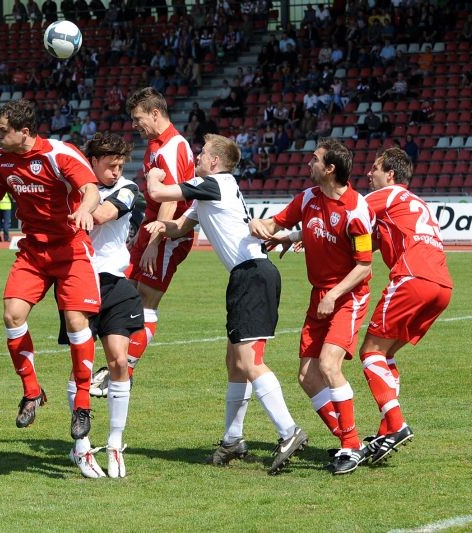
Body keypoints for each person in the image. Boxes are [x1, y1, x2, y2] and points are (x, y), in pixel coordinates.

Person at [0, 99, 103, 478]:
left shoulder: (60, 153)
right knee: (12, 314)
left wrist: (84, 209)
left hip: (72, 249)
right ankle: (32, 392)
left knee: (77, 323)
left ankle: (81, 404)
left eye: (1, 130)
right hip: (33, 251)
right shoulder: (1, 161)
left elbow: (90, 188)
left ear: (24, 132)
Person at [144, 134, 308, 475]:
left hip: (252, 274)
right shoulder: (211, 189)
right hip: (245, 274)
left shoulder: (212, 183)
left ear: (214, 162)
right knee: (235, 362)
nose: (198, 157)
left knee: (248, 361)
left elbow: (159, 192)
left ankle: (289, 431)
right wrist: (162, 226)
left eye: (202, 154)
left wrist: (155, 173)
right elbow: (180, 228)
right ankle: (233, 440)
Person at [249, 138, 375, 475]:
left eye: (315, 159)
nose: (309, 163)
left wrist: (335, 295)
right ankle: (349, 440)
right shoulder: (308, 198)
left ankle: (350, 445)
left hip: (348, 297)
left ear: (330, 169)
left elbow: (364, 265)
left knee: (329, 365)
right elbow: (278, 224)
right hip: (320, 295)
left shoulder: (357, 210)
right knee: (306, 376)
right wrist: (267, 230)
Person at [92, 87, 195, 394]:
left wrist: (155, 241)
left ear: (154, 113)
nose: (134, 125)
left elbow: (172, 199)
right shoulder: (155, 146)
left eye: (138, 118)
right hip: (151, 229)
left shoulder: (173, 146)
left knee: (147, 302)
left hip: (167, 236)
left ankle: (123, 371)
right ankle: (119, 364)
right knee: (129, 297)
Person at [358, 147, 453, 465]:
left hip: (411, 279)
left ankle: (396, 425)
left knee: (370, 352)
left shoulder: (387, 195)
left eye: (375, 168)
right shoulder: (416, 203)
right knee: (386, 354)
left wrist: (297, 232)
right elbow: (370, 239)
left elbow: (347, 211)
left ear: (391, 175)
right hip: (441, 285)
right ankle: (387, 431)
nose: (369, 173)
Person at [58, 132, 143, 478]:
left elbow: (106, 213)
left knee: (119, 361)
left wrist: (79, 209)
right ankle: (80, 446)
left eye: (120, 165)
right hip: (78, 280)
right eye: (110, 165)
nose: (116, 171)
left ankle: (115, 442)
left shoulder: (128, 188)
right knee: (81, 368)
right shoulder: (71, 189)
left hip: (115, 282)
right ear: (91, 162)